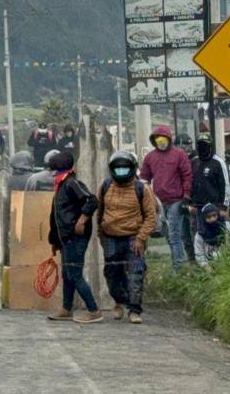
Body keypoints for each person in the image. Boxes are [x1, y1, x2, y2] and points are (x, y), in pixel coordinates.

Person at [97, 151, 156, 324]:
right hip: (110, 237)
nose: (121, 172)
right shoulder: (105, 185)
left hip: (133, 238)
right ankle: (119, 301)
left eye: (125, 169)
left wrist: (141, 238)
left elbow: (151, 217)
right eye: (118, 169)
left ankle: (134, 310)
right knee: (112, 274)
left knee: (135, 274)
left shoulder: (142, 189)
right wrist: (101, 234)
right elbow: (99, 212)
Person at [46, 151, 102, 323]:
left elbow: (92, 201)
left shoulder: (71, 184)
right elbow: (57, 217)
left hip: (76, 237)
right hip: (65, 239)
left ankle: (94, 311)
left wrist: (82, 220)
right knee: (67, 274)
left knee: (75, 274)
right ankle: (66, 308)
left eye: (52, 170)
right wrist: (55, 241)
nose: (51, 173)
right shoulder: (61, 186)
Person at [139, 125, 192, 269]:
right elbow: (144, 178)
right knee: (168, 234)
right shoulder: (150, 157)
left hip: (176, 200)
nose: (161, 142)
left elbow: (187, 175)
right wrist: (144, 197)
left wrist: (186, 195)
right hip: (159, 202)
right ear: (154, 141)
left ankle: (179, 266)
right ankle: (179, 261)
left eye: (163, 139)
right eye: (158, 140)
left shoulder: (179, 155)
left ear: (169, 139)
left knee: (174, 233)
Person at [188, 135, 229, 260]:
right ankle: (202, 261)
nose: (202, 148)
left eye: (205, 145)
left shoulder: (218, 163)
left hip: (215, 207)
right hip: (198, 207)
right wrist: (190, 202)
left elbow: (225, 185)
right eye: (200, 145)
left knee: (218, 233)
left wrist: (223, 207)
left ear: (210, 146)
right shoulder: (194, 162)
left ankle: (221, 259)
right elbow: (190, 182)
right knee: (200, 233)